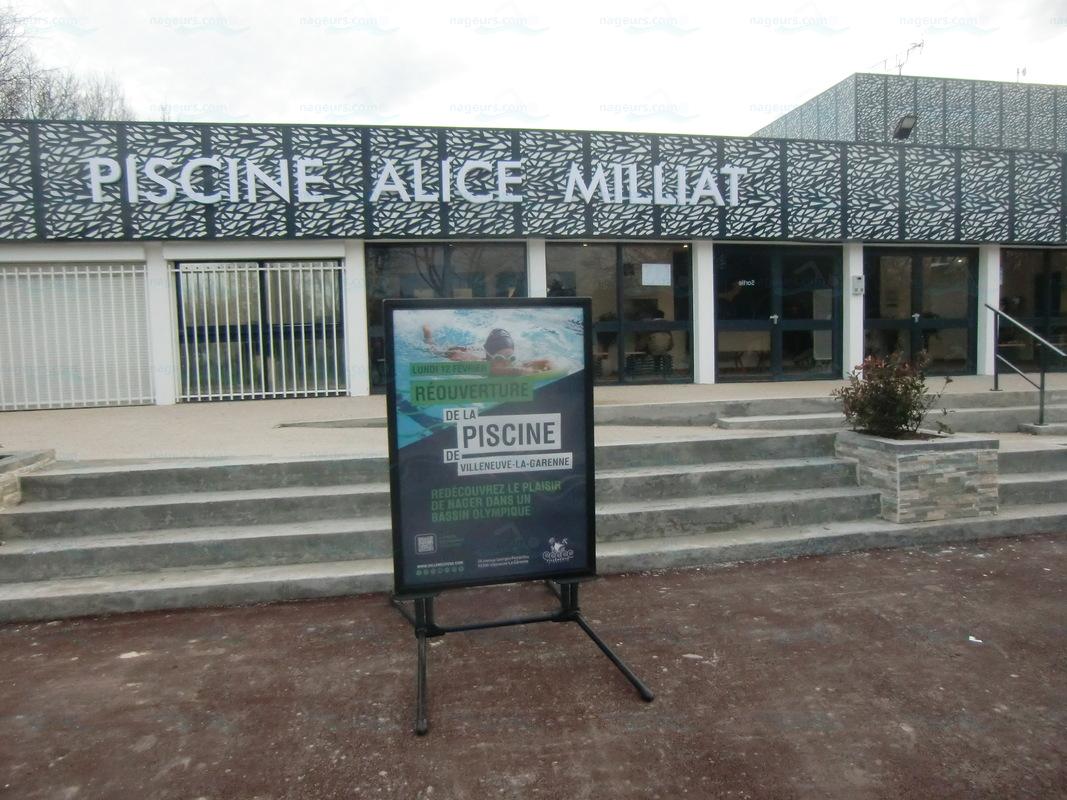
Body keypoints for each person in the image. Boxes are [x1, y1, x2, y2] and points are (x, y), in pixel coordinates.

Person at [422, 325, 553, 376]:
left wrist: (539, 366)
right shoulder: (473, 363)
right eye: (500, 358)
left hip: (479, 350)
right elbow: (494, 370)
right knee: (434, 351)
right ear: (490, 357)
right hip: (460, 354)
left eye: (511, 358)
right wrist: (520, 371)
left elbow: (548, 362)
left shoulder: (514, 363)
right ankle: (428, 334)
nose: (507, 363)